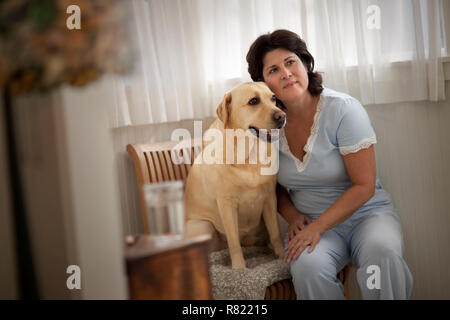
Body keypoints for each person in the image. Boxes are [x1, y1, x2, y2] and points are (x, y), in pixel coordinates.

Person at [246, 29, 413, 300]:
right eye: (273, 70)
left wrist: (318, 227)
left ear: (304, 64)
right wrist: (291, 215)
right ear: (263, 83)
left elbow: (364, 186)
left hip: (367, 216)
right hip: (310, 222)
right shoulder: (265, 127)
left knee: (382, 257)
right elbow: (268, 185)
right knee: (309, 268)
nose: (286, 73)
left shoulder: (343, 110)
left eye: (290, 62)